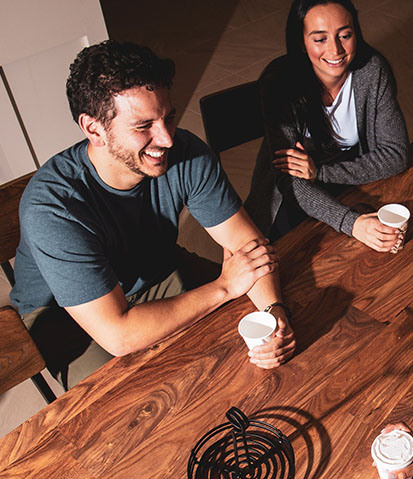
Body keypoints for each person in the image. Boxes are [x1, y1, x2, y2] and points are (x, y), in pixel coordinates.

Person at [10, 41, 295, 389]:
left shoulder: (187, 151)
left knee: (253, 337)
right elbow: (118, 334)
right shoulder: (52, 207)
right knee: (137, 402)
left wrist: (273, 313)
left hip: (155, 270)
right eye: (143, 125)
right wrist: (223, 286)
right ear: (94, 129)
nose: (167, 138)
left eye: (169, 117)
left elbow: (248, 246)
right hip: (71, 316)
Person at [244, 0, 409, 250]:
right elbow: (290, 181)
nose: (335, 50)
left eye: (345, 35)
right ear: (301, 41)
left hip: (353, 181)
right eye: (320, 39)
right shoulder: (279, 82)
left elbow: (396, 155)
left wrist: (319, 172)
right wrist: (351, 223)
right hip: (292, 198)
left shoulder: (372, 70)